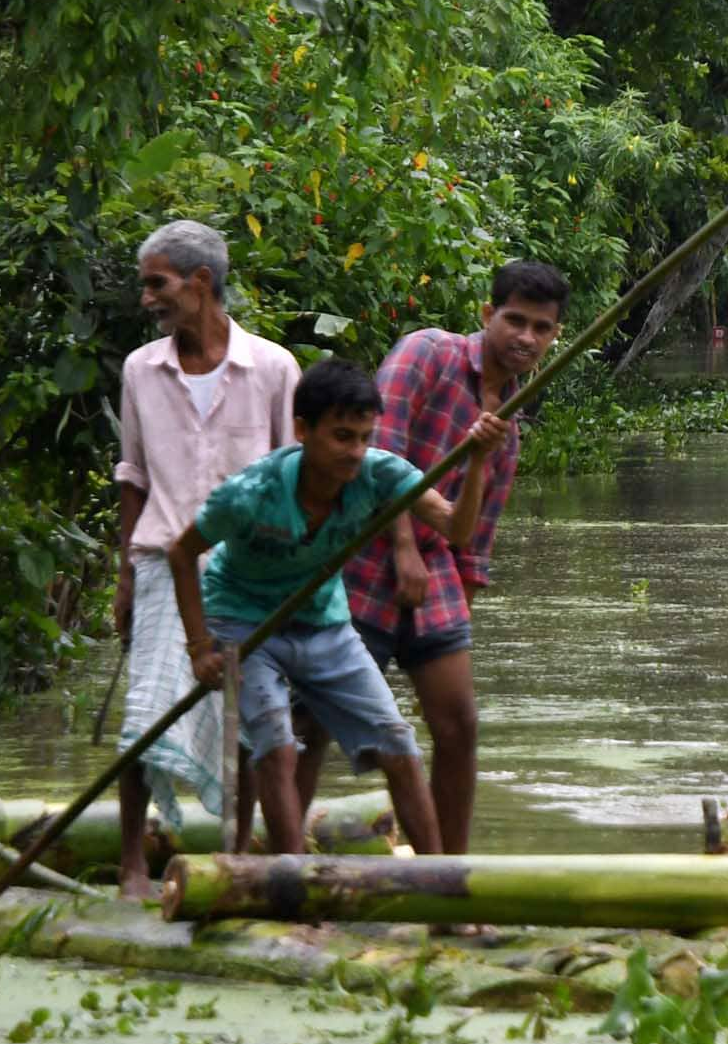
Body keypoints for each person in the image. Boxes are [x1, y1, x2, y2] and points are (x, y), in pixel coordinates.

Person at [169, 360, 496, 857]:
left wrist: (475, 463)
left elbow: (456, 528)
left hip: (323, 621)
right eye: (342, 437)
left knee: (399, 744)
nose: (355, 452)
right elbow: (181, 551)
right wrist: (199, 648)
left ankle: (439, 885)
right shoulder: (251, 493)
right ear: (303, 430)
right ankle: (291, 884)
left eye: (364, 436)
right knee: (276, 749)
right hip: (243, 619)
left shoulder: (379, 472)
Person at [344, 261, 565, 856]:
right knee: (310, 725)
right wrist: (404, 546)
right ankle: (277, 856)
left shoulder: (510, 427)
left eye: (541, 328)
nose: (525, 337)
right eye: (514, 320)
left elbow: (474, 539)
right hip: (362, 549)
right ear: (487, 315)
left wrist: (456, 614)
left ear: (554, 337)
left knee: (459, 724)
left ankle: (448, 870)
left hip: (435, 566)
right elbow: (373, 453)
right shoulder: (428, 353)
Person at [111, 219, 303, 898]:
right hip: (165, 559)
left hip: (251, 568)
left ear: (200, 283)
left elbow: (294, 472)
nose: (147, 298)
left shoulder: (274, 368)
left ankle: (239, 847)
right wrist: (125, 577)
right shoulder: (142, 369)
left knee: (248, 712)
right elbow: (133, 475)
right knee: (145, 711)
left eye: (156, 284)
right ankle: (132, 863)